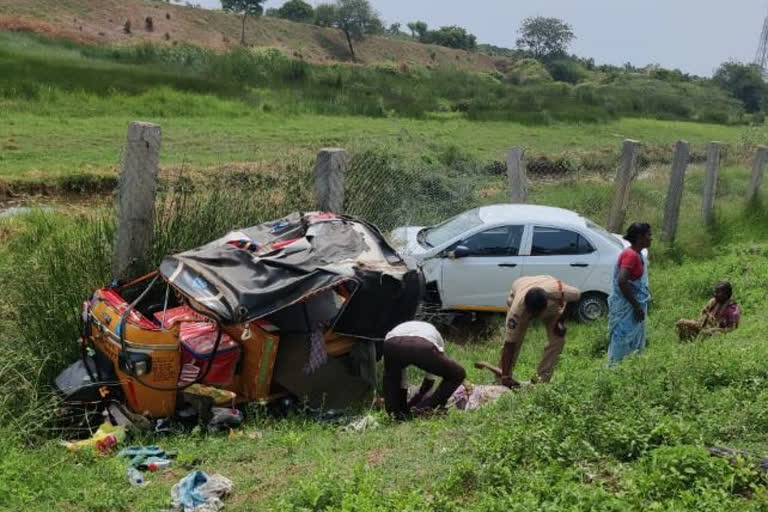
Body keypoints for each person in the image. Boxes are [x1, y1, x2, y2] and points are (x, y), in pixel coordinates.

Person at [495, 275, 581, 388]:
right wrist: (505, 376)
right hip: (521, 287)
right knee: (514, 341)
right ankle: (502, 381)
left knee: (558, 341)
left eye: (537, 312)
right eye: (533, 313)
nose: (535, 317)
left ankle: (540, 382)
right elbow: (509, 344)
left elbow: (575, 298)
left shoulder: (562, 292)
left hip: (551, 305)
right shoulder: (517, 311)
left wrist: (560, 320)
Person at [382, 321, 466, 419]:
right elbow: (429, 380)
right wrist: (418, 402)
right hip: (421, 345)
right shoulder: (437, 337)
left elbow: (401, 379)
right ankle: (424, 409)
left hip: (391, 344)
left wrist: (405, 405)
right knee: (457, 373)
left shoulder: (401, 328)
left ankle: (394, 414)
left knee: (392, 379)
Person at [608, 222, 652, 364]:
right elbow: (622, 281)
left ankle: (629, 370)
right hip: (627, 307)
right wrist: (636, 306)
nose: (651, 238)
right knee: (622, 341)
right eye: (649, 235)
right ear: (640, 237)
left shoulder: (638, 254)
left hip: (633, 305)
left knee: (631, 342)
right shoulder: (630, 255)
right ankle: (614, 372)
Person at [676, 281, 741, 342]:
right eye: (715, 292)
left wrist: (715, 329)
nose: (715, 295)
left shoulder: (732, 310)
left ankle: (698, 345)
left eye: (718, 293)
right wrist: (700, 323)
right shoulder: (713, 302)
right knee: (681, 323)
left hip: (718, 332)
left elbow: (732, 329)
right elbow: (703, 314)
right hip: (704, 326)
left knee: (705, 333)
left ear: (726, 294)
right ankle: (685, 342)